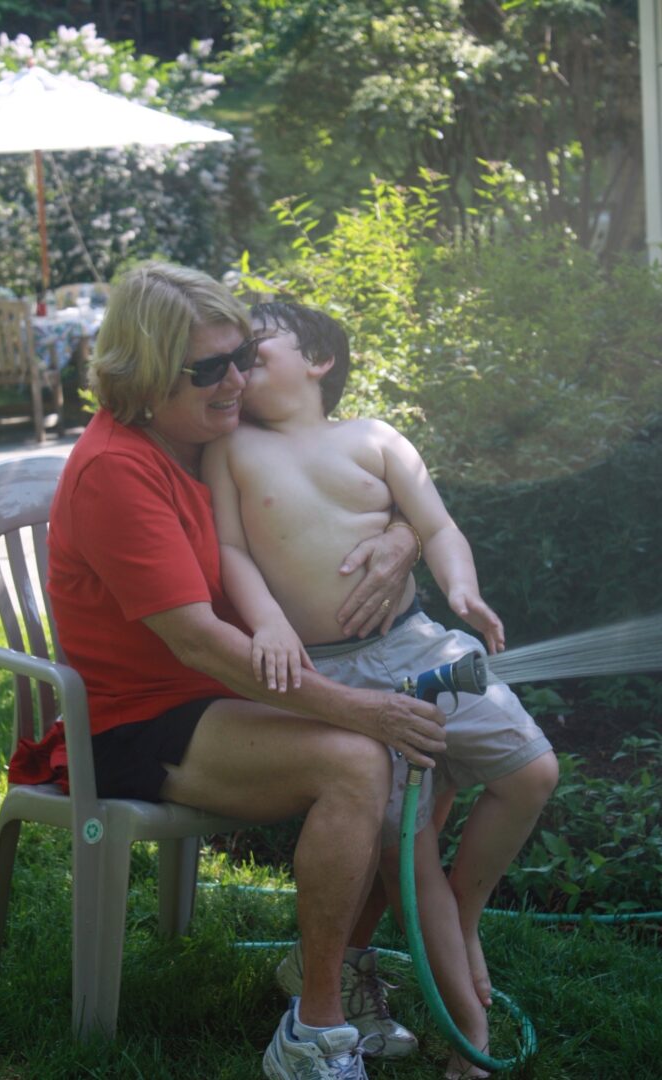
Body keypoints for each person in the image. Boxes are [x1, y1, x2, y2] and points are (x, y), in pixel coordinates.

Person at [46, 262, 446, 1080]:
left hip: (223, 693)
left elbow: (359, 481)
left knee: (418, 748)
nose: (237, 381)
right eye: (210, 369)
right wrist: (357, 710)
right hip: (142, 720)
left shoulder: (205, 434)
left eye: (241, 357)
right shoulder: (118, 470)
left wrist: (404, 536)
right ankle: (314, 1029)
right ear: (145, 373)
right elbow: (198, 642)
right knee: (358, 759)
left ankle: (336, 967)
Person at [202, 300, 558, 1078]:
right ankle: (471, 1037)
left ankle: (464, 915)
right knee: (411, 854)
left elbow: (438, 526)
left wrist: (460, 589)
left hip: (418, 643)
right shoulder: (231, 449)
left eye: (258, 345)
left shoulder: (375, 438)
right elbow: (232, 550)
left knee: (532, 772)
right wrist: (268, 623)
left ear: (319, 360)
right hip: (331, 672)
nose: (240, 360)